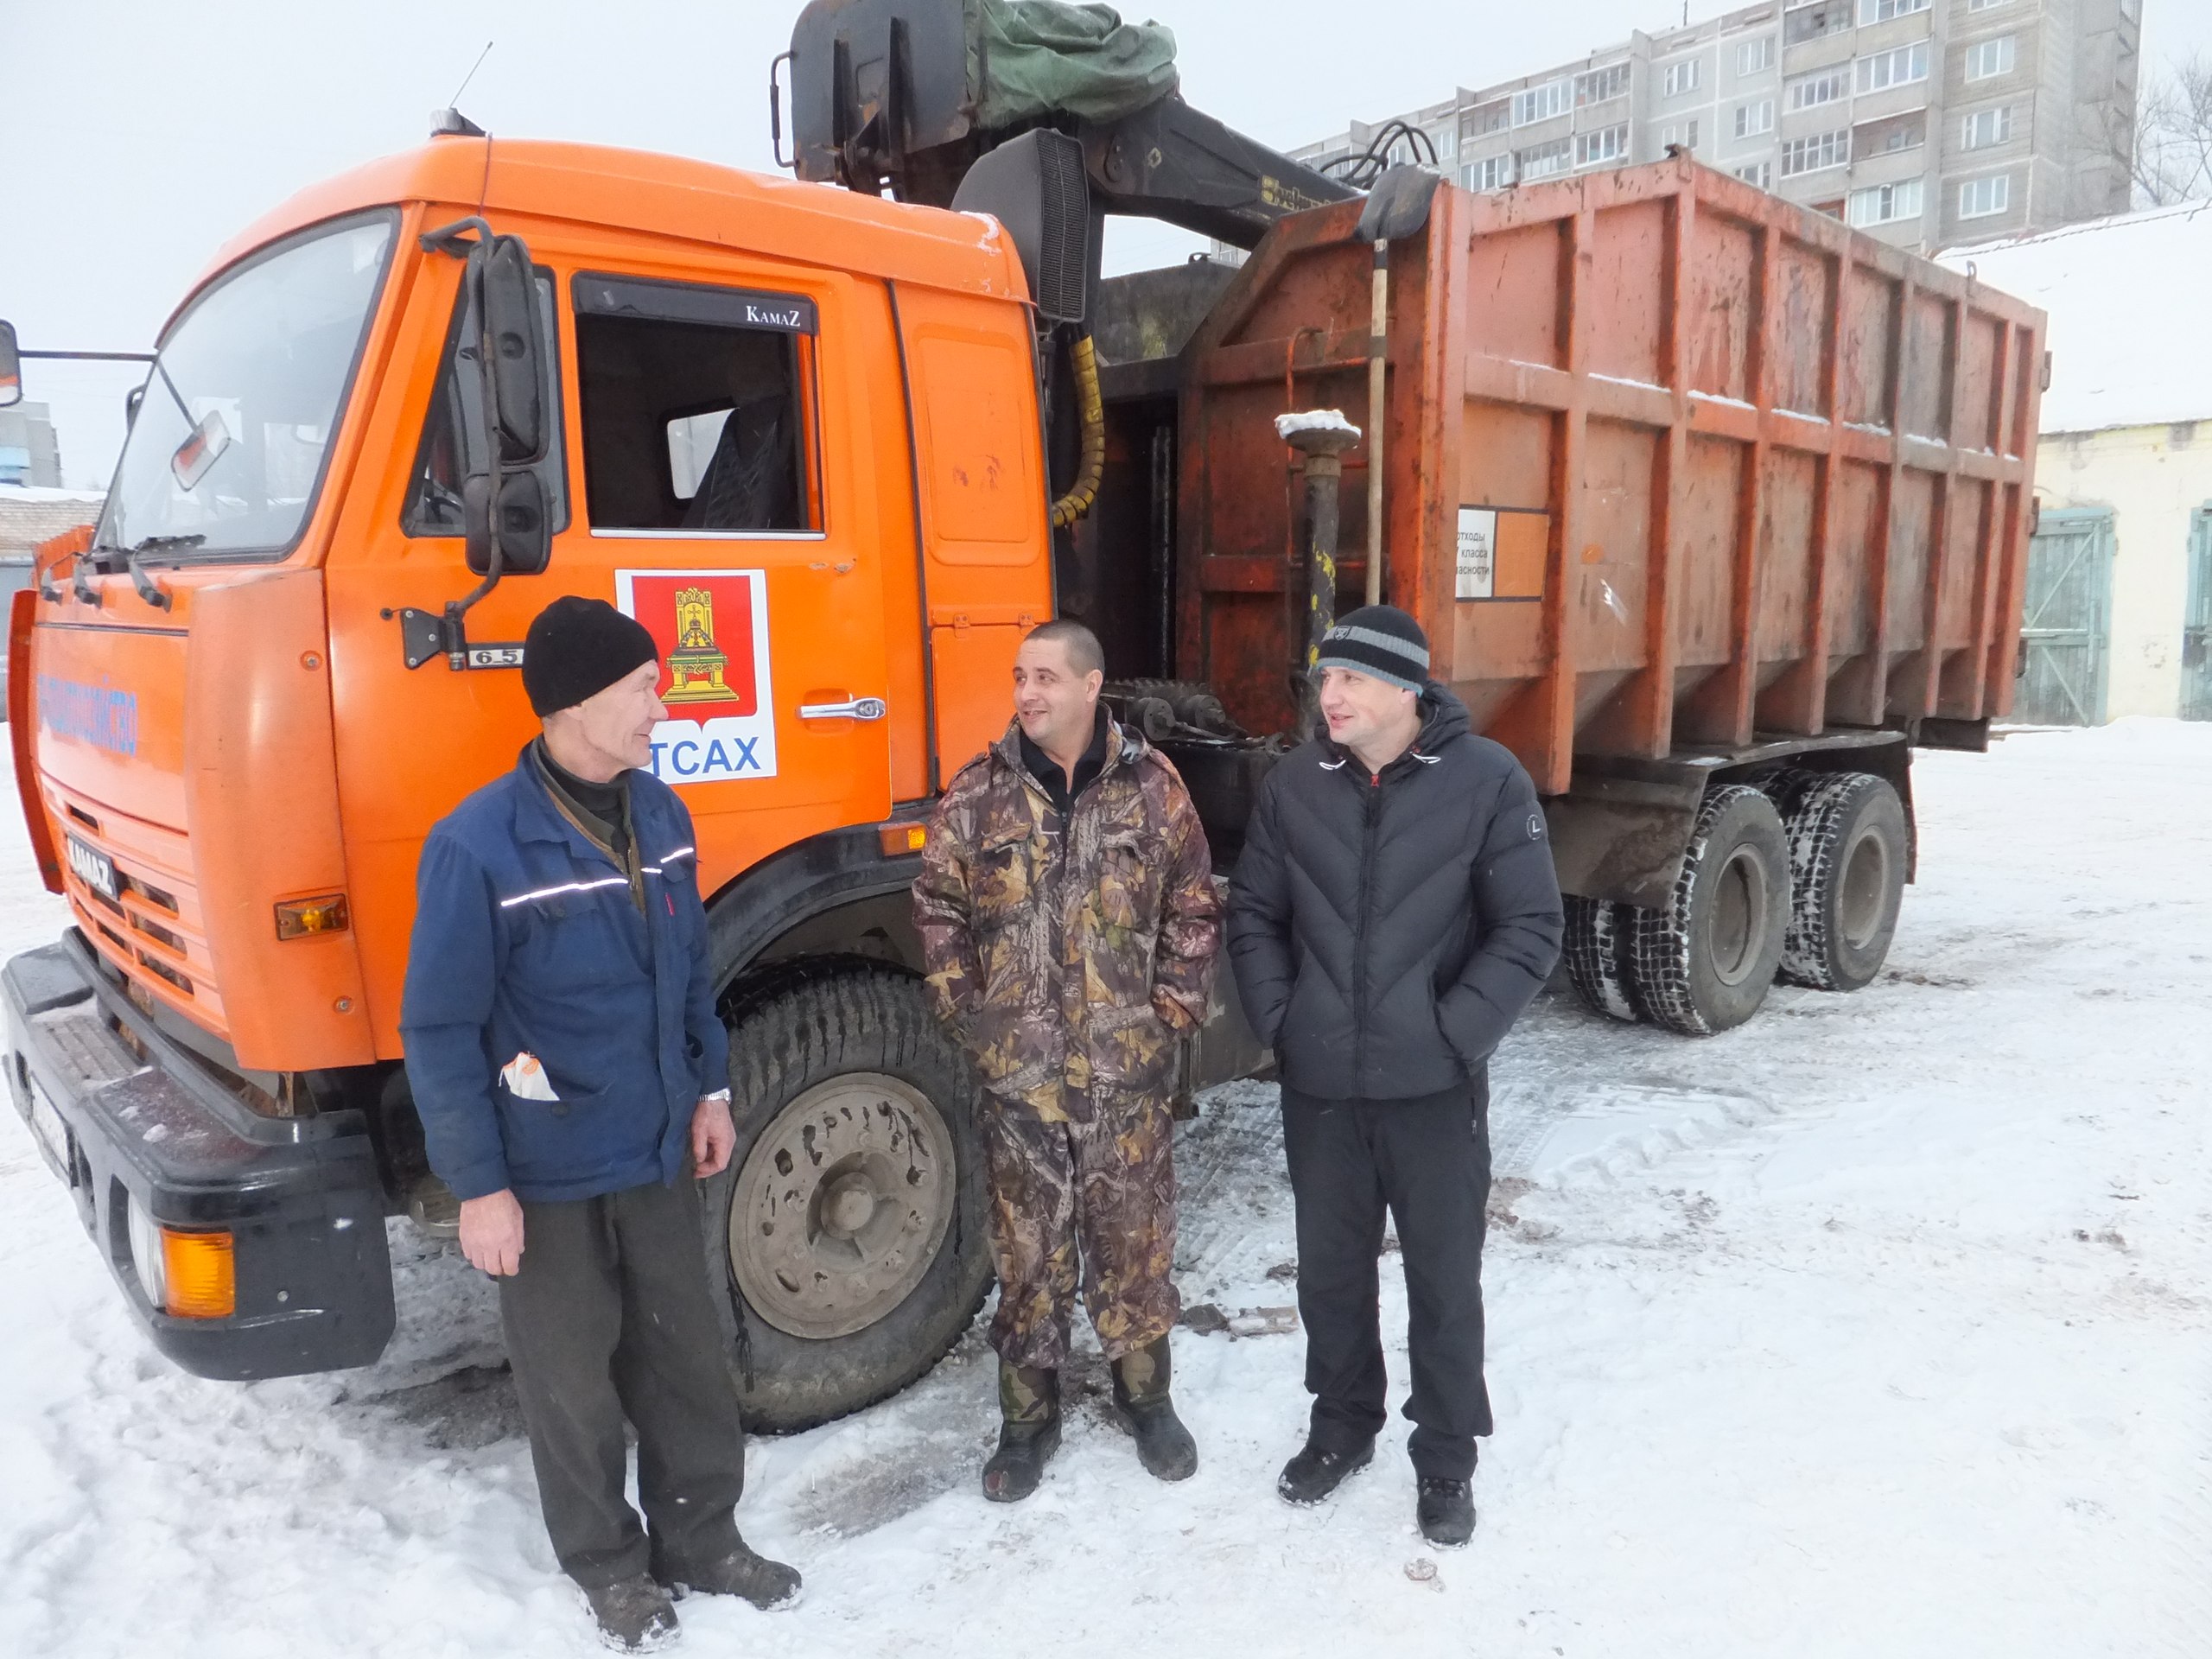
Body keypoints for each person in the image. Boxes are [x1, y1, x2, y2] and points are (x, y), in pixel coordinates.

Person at [401, 595, 799, 1651]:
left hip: (657, 1144)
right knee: (573, 1386)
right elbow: (438, 1030)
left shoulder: (660, 814)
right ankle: (609, 1566)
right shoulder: (478, 846)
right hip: (543, 1166)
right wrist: (479, 1187)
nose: (660, 708)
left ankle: (703, 1539)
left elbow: (691, 972)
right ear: (575, 704)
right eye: (642, 689)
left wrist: (708, 1091)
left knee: (684, 1358)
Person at [1227, 604, 1562, 1549]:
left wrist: (1455, 1036)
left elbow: (1530, 927)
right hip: (1321, 1084)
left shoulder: (1487, 781)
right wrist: (1284, 1025)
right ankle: (1340, 1428)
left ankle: (1447, 1456)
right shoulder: (1296, 785)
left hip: (1434, 1089)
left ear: (1405, 689)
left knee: (1443, 1282)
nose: (1327, 696)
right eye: (1323, 679)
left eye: (1350, 680)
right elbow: (1253, 914)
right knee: (1330, 1276)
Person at [912, 619, 1223, 1502]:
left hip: (1124, 1073)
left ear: (1092, 687)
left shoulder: (1154, 790)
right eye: (1018, 677)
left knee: (1134, 1236)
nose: (1026, 693)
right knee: (1028, 1248)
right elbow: (936, 906)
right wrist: (967, 1013)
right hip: (1020, 1077)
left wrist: (1168, 1013)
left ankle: (1146, 1400)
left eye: (1045, 676)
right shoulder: (979, 795)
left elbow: (1194, 907)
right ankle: (1025, 1420)